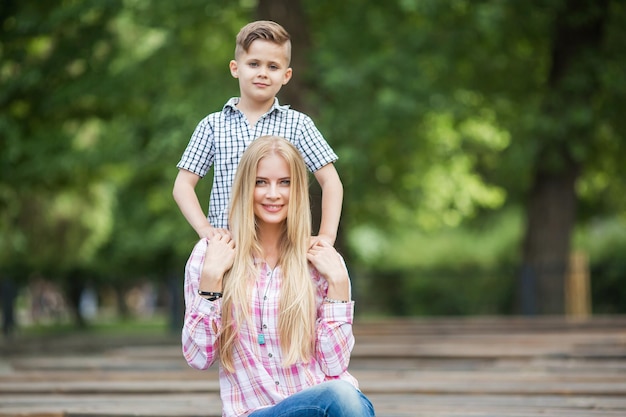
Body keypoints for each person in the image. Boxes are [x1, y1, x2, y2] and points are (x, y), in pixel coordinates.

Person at [181, 136, 375, 417]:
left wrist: (340, 286)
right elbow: (198, 357)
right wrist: (211, 280)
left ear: (298, 190)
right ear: (246, 187)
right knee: (341, 397)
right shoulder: (212, 255)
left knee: (343, 396)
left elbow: (334, 366)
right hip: (254, 411)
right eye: (261, 182)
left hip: (328, 405)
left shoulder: (320, 261)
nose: (273, 193)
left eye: (285, 182)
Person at [173, 20, 343, 247]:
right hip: (230, 248)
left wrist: (327, 236)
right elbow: (183, 185)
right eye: (254, 64)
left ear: (286, 75)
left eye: (273, 67)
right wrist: (206, 229)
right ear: (235, 68)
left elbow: (331, 181)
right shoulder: (213, 125)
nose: (263, 73)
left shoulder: (298, 125)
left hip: (283, 249)